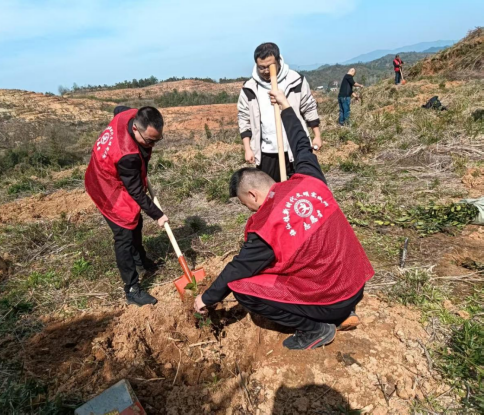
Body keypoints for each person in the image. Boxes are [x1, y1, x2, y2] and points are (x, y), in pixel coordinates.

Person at [195, 89, 375, 351]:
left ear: (252, 194)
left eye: (246, 205)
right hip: (355, 284)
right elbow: (301, 144)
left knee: (241, 287)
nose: (251, 211)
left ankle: (315, 329)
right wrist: (286, 107)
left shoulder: (267, 225)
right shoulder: (309, 179)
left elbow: (239, 268)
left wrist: (206, 298)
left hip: (332, 298)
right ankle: (343, 312)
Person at [85, 106, 169, 307]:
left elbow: (117, 110)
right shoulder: (127, 156)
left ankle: (141, 260)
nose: (153, 145)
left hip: (115, 174)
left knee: (136, 221)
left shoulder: (129, 114)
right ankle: (132, 290)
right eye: (149, 141)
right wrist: (158, 214)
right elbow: (137, 192)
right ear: (135, 129)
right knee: (124, 233)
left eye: (157, 140)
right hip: (105, 185)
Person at [238, 43, 323, 183]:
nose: (265, 71)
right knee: (272, 190)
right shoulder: (250, 88)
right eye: (261, 67)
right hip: (267, 151)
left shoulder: (295, 80)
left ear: (278, 61)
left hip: (294, 147)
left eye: (269, 66)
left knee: (299, 188)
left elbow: (309, 107)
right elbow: (244, 118)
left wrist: (317, 135)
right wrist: (248, 148)